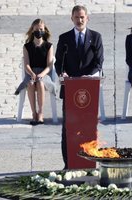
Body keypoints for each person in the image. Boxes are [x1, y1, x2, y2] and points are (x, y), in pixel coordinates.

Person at [55, 5, 104, 169]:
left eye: (82, 17)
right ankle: (68, 163)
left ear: (87, 18)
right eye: (76, 17)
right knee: (68, 128)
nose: (80, 20)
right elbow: (59, 62)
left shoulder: (96, 37)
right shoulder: (64, 38)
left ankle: (88, 161)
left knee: (87, 127)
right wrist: (63, 74)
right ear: (72, 18)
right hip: (70, 89)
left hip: (88, 89)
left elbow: (98, 62)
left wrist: (86, 77)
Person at [15, 18, 56, 125]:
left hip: (44, 73)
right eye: (37, 29)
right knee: (30, 83)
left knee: (41, 83)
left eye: (41, 29)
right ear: (33, 30)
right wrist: (32, 74)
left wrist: (41, 75)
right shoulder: (27, 46)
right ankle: (34, 113)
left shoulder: (49, 46)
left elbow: (49, 65)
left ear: (44, 30)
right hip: (31, 73)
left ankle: (41, 112)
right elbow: (26, 64)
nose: (39, 31)